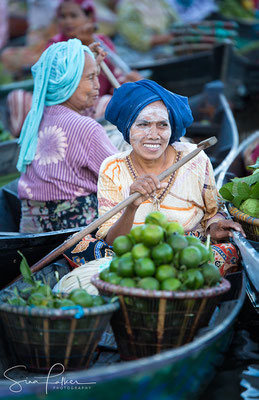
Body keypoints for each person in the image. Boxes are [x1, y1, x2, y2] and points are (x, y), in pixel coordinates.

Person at [64, 80, 245, 275]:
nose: (153, 135)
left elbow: (213, 213)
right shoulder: (112, 167)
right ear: (128, 128)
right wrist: (131, 206)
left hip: (187, 249)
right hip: (135, 254)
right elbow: (113, 242)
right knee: (76, 245)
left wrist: (215, 227)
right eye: (143, 124)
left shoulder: (195, 158)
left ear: (171, 129)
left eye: (162, 125)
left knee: (230, 251)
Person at [17, 38, 118, 233]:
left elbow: (74, 114)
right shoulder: (87, 128)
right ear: (68, 81)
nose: (98, 85)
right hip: (74, 230)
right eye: (91, 77)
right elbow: (121, 178)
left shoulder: (36, 117)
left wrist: (86, 63)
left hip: (31, 228)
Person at [47, 0, 142, 118]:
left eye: (73, 16)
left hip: (104, 101)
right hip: (72, 109)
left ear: (89, 17)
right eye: (63, 16)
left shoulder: (101, 41)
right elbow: (63, 87)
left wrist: (127, 83)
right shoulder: (55, 46)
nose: (68, 21)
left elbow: (115, 78)